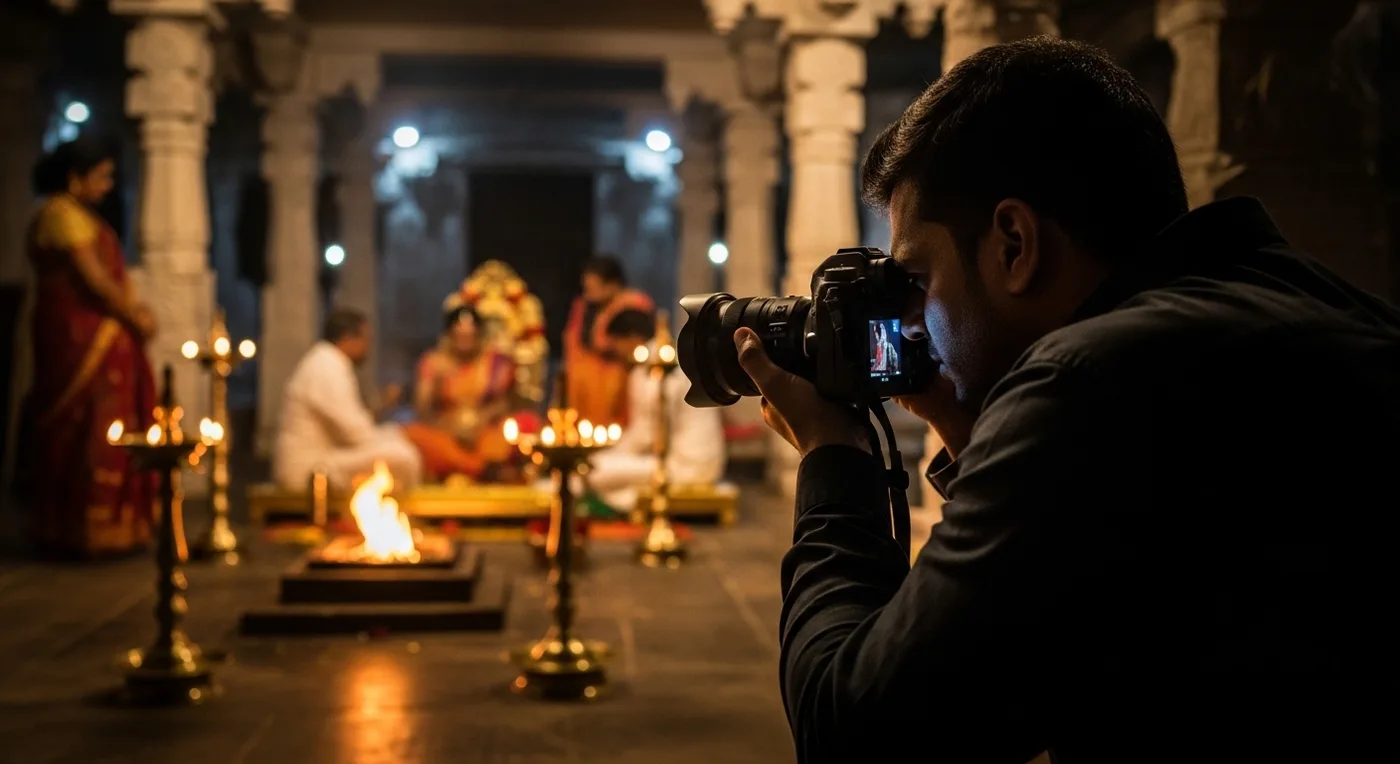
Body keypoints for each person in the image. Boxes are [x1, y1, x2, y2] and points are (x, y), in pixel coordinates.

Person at [735, 37, 1398, 763]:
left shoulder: (1088, 381)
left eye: (918, 278)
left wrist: (835, 462)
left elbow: (855, 733)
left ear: (1014, 244)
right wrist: (965, 429)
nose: (913, 322)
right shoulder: (1321, 307)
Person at [19, 138, 157, 559]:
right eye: (101, 176)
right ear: (74, 179)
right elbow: (94, 280)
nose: (107, 185)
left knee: (103, 425)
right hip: (77, 338)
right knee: (86, 427)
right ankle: (82, 527)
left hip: (98, 336)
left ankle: (112, 526)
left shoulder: (76, 215)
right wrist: (134, 316)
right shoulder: (61, 214)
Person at [585, 309, 726, 511]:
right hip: (707, 464)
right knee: (604, 471)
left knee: (594, 469)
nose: (615, 351)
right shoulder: (677, 357)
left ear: (633, 338)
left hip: (684, 466)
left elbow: (646, 435)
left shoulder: (650, 367)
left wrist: (608, 453)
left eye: (616, 342)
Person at [273, 309, 421, 493]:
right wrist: (397, 436)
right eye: (366, 340)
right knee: (403, 457)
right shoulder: (326, 367)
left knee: (398, 442)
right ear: (348, 338)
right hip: (309, 469)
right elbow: (355, 432)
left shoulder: (329, 362)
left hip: (325, 457)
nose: (368, 347)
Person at [401, 301, 536, 483]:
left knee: (526, 424)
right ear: (449, 336)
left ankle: (471, 466)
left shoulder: (496, 362)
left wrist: (482, 419)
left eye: (470, 337)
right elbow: (422, 411)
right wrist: (434, 384)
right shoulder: (433, 362)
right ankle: (480, 468)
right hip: (446, 434)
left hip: (485, 433)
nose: (465, 342)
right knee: (412, 434)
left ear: (480, 336)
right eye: (460, 336)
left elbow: (505, 404)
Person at [562, 256, 654, 425]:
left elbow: (633, 345)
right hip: (585, 382)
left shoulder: (633, 304)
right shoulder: (583, 307)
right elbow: (573, 344)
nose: (588, 294)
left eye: (593, 288)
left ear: (612, 285)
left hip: (621, 377)